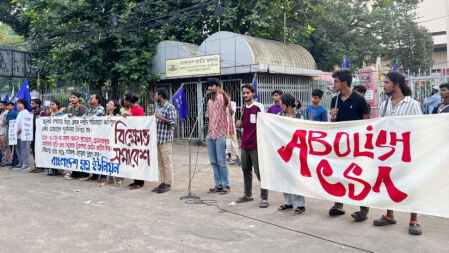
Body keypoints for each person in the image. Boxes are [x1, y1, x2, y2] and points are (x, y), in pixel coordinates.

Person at [373, 71, 423, 235]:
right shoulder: (385, 104)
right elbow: (382, 126)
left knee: (411, 183)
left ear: (396, 84)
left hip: (407, 150)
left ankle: (414, 219)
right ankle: (389, 215)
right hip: (389, 151)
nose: (384, 85)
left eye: (386, 82)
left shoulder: (412, 104)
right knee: (389, 182)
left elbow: (417, 128)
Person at [329, 69, 370, 221]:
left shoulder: (359, 100)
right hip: (340, 146)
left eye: (336, 81)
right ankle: (338, 205)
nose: (334, 84)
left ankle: (363, 209)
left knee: (359, 176)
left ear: (344, 83)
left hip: (357, 146)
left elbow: (367, 122)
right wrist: (332, 118)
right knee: (339, 174)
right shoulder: (335, 100)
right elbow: (332, 125)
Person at [235, 84, 268, 208]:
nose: (245, 95)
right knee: (245, 169)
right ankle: (247, 194)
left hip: (256, 144)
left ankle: (264, 198)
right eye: (244, 93)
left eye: (247, 93)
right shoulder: (243, 107)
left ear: (253, 93)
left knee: (259, 171)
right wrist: (240, 124)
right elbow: (245, 123)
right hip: (245, 143)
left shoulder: (259, 107)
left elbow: (264, 123)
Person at [277, 94, 306, 214]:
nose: (281, 106)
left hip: (295, 151)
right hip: (283, 150)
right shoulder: (279, 116)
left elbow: (303, 133)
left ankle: (300, 204)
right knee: (284, 176)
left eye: (282, 104)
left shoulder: (299, 117)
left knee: (295, 178)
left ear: (288, 105)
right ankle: (288, 202)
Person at [205, 78, 230, 194]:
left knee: (221, 161)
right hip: (210, 134)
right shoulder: (209, 102)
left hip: (220, 134)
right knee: (213, 161)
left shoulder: (222, 98)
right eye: (209, 86)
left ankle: (226, 185)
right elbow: (208, 117)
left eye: (212, 85)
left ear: (218, 87)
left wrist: (224, 93)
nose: (210, 88)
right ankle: (218, 184)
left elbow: (227, 103)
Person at [152, 88, 177, 194]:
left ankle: (168, 183)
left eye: (156, 95)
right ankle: (162, 182)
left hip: (166, 139)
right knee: (160, 163)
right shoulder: (158, 108)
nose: (155, 96)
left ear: (160, 96)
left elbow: (173, 123)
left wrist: (161, 118)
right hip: (158, 139)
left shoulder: (169, 107)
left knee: (167, 162)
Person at [123, 92, 146, 190]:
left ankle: (140, 182)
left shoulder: (138, 110)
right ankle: (136, 180)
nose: (124, 101)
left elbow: (140, 124)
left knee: (138, 160)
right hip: (132, 138)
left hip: (138, 138)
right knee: (134, 160)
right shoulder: (132, 110)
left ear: (129, 101)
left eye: (125, 99)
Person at [82, 93, 106, 183]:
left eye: (92, 98)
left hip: (100, 135)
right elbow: (83, 118)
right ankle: (95, 175)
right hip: (92, 135)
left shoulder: (100, 108)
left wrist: (86, 118)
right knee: (94, 155)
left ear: (97, 100)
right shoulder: (89, 109)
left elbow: (93, 118)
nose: (90, 99)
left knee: (102, 155)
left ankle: (103, 175)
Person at [64, 92, 87, 179]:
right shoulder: (70, 109)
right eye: (71, 97)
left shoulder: (83, 108)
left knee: (81, 154)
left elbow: (85, 120)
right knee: (74, 154)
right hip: (73, 134)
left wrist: (73, 116)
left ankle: (84, 173)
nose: (72, 99)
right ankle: (75, 173)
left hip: (81, 134)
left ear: (78, 99)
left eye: (74, 97)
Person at [105, 99, 124, 185]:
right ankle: (110, 177)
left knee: (117, 158)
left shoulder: (117, 116)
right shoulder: (105, 116)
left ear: (115, 107)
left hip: (116, 140)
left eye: (110, 104)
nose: (108, 105)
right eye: (108, 103)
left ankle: (119, 178)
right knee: (109, 157)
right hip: (108, 139)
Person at [29, 99, 47, 173]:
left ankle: (42, 167)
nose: (31, 105)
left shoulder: (42, 113)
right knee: (34, 150)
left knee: (39, 151)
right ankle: (37, 166)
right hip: (32, 135)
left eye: (33, 103)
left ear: (37, 105)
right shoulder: (32, 113)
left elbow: (45, 123)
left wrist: (40, 118)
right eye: (31, 103)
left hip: (39, 136)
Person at [13, 99, 32, 171]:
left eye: (19, 103)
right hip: (17, 135)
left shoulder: (25, 112)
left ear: (23, 104)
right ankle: (21, 163)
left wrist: (19, 131)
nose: (18, 105)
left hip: (23, 135)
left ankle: (26, 164)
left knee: (24, 149)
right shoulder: (19, 113)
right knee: (18, 149)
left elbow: (26, 124)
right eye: (17, 103)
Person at [47, 100, 64, 175]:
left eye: (53, 104)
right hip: (50, 136)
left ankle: (58, 169)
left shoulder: (61, 113)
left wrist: (59, 113)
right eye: (50, 104)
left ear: (57, 105)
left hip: (58, 136)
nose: (51, 106)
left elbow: (61, 122)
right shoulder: (49, 114)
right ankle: (51, 169)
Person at [225, 92, 240, 165]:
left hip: (231, 126)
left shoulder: (233, 103)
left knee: (234, 141)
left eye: (227, 97)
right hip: (225, 126)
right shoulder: (223, 104)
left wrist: (229, 105)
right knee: (227, 142)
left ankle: (238, 157)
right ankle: (229, 156)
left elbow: (232, 112)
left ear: (229, 97)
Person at [5, 102, 19, 168]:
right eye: (8, 105)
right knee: (10, 148)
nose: (9, 107)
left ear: (13, 107)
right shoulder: (5, 114)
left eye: (11, 105)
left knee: (16, 148)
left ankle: (15, 162)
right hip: (9, 132)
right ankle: (12, 161)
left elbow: (17, 122)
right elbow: (5, 124)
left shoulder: (16, 113)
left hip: (15, 133)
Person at [0, 101, 12, 167]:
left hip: (5, 132)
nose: (0, 107)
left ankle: (8, 161)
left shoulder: (7, 113)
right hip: (1, 132)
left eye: (1, 105)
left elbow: (4, 123)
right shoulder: (2, 113)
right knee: (2, 148)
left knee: (6, 147)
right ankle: (4, 160)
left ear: (5, 106)